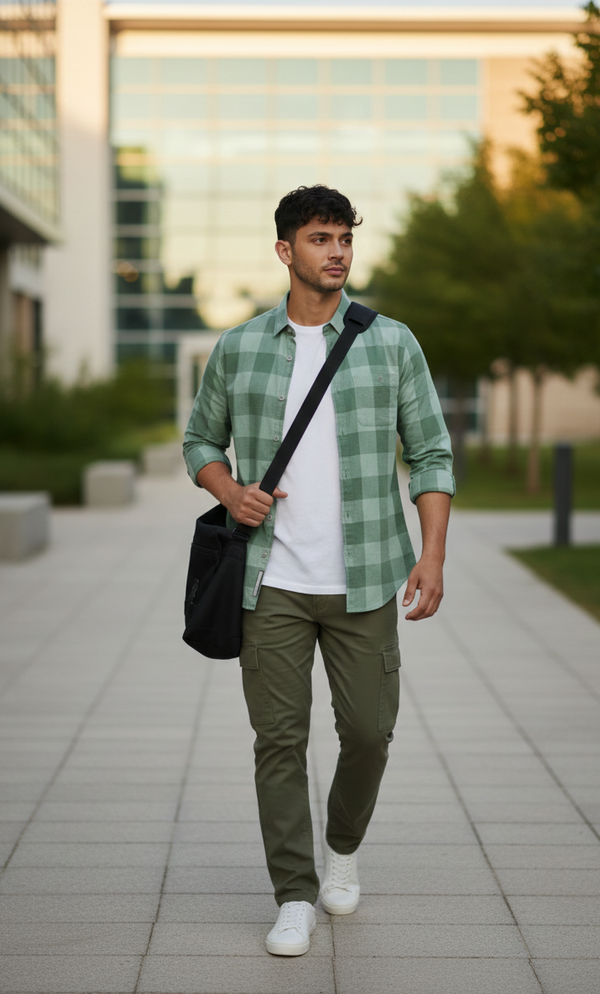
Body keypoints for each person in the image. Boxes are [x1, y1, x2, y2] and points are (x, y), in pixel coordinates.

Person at [183, 185, 454, 957]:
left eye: (344, 239)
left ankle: (342, 845)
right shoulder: (239, 346)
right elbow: (200, 442)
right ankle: (294, 892)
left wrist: (431, 553)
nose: (336, 251)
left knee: (369, 732)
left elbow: (431, 451)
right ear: (285, 252)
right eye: (320, 239)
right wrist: (229, 490)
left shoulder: (391, 341)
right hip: (268, 581)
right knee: (279, 740)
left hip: (366, 575)